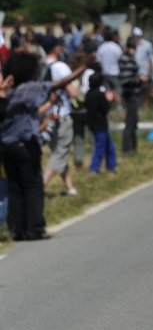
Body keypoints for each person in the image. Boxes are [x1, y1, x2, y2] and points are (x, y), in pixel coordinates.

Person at [0, 52, 89, 240]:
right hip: (26, 144)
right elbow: (60, 83)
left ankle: (17, 228)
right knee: (33, 187)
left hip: (7, 146)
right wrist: (82, 68)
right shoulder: (31, 88)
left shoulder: (9, 93)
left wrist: (47, 110)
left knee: (15, 188)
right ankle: (35, 228)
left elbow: (25, 114)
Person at [39, 36, 79, 196]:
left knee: (57, 151)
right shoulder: (61, 67)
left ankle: (70, 188)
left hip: (46, 113)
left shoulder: (40, 65)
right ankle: (39, 188)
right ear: (56, 49)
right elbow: (73, 93)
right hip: (61, 113)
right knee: (61, 152)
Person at [85, 69, 116, 174]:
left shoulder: (88, 94)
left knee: (108, 146)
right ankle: (94, 168)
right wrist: (109, 100)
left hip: (92, 123)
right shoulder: (99, 94)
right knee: (100, 148)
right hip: (100, 124)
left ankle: (111, 167)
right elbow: (105, 109)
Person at [118, 36, 145, 154]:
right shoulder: (126, 59)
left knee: (134, 121)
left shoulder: (129, 58)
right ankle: (127, 148)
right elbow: (126, 79)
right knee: (130, 121)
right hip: (130, 94)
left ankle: (133, 148)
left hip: (133, 93)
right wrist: (140, 79)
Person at [96, 29, 123, 95]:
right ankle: (118, 105)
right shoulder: (116, 47)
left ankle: (108, 104)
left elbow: (98, 61)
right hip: (115, 72)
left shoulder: (101, 47)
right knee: (117, 91)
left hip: (105, 72)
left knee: (107, 91)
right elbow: (121, 59)